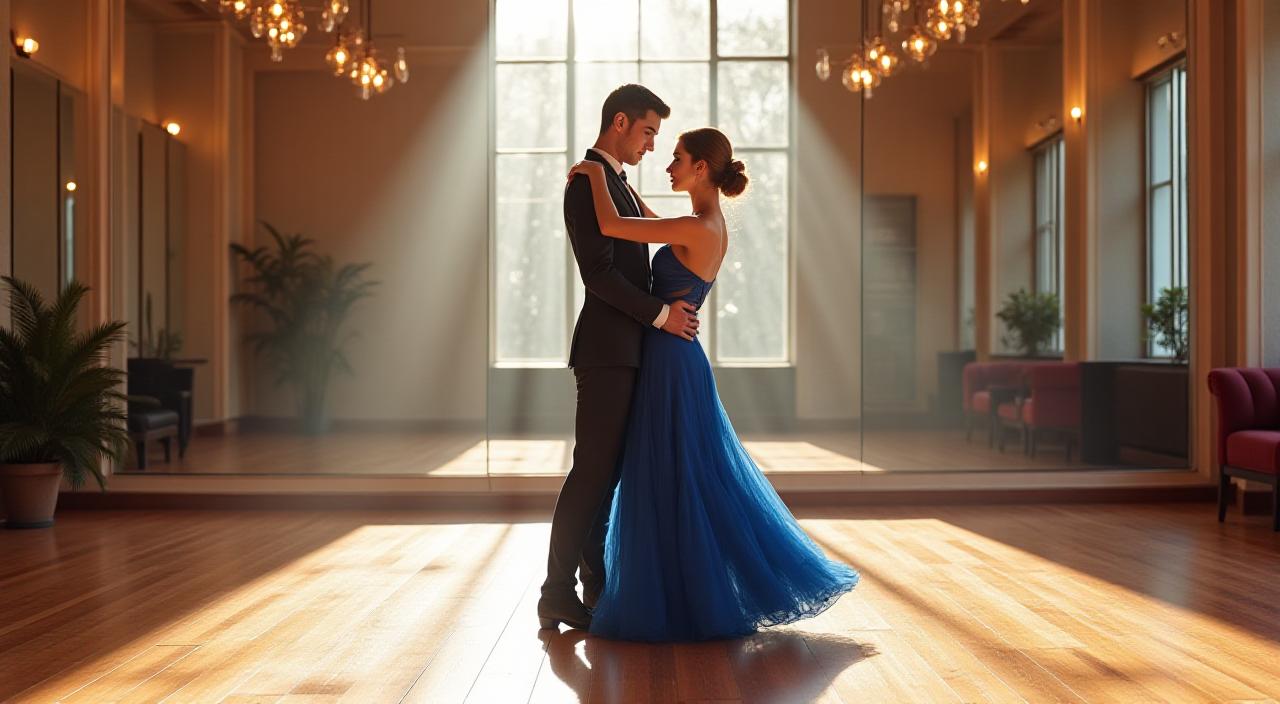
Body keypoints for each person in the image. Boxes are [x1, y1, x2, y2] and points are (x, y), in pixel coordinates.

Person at [564, 126, 860, 642]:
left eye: (676, 158)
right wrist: (615, 177)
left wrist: (592, 171)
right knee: (681, 476)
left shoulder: (699, 227)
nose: (668, 165)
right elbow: (646, 221)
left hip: (671, 360)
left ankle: (691, 593)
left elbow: (612, 224)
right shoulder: (700, 222)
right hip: (671, 355)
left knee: (683, 477)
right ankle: (675, 587)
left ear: (702, 167)